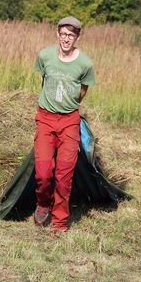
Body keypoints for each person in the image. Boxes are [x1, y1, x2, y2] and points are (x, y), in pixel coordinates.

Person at [33, 17, 96, 231]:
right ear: (57, 34)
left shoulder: (85, 63)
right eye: (63, 34)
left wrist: (69, 105)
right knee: (43, 173)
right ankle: (42, 203)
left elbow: (83, 90)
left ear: (77, 37)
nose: (66, 38)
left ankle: (59, 222)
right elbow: (45, 81)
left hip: (69, 121)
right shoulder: (45, 55)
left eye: (71, 34)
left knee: (63, 177)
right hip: (45, 118)